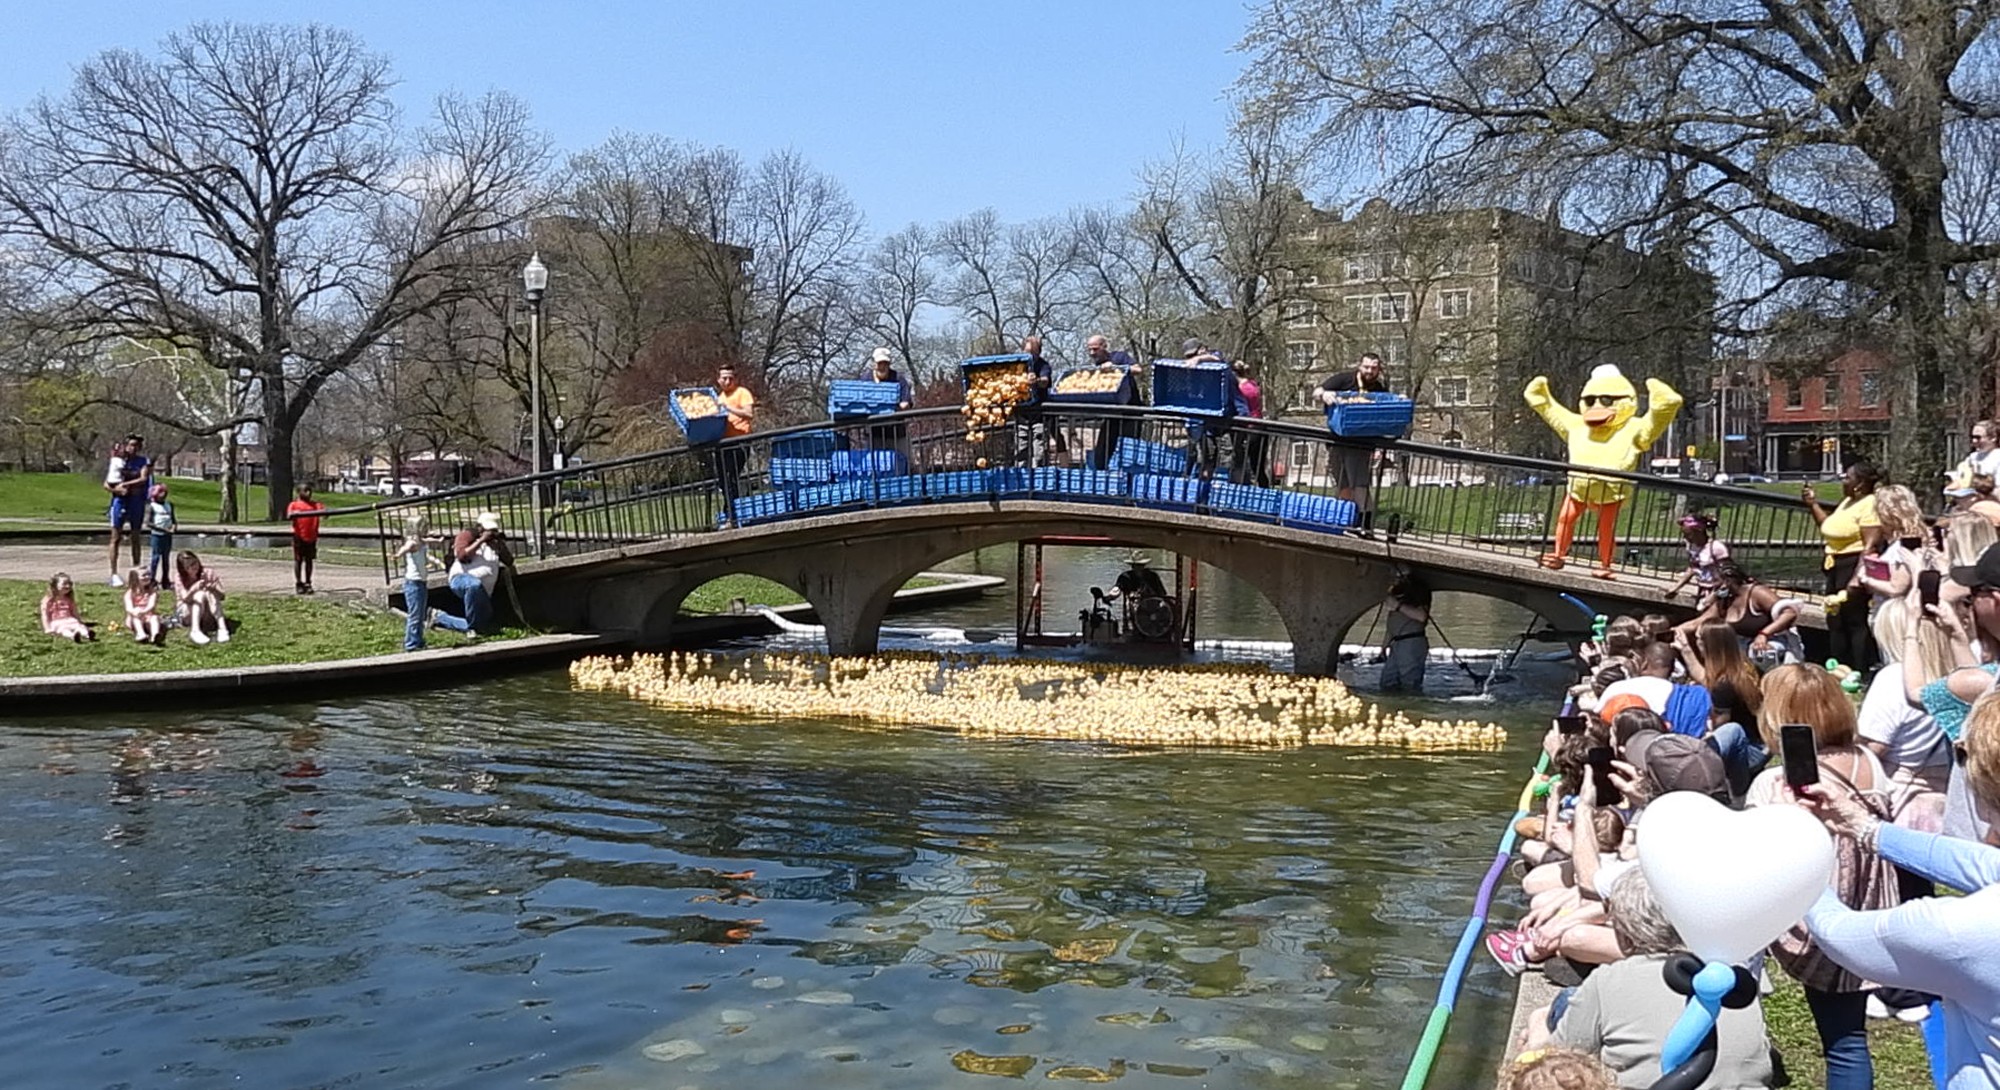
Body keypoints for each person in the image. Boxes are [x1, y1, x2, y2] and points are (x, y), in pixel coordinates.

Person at [1795, 697, 2000, 1090]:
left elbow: (1842, 935)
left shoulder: (1965, 930)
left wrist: (1800, 863)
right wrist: (1866, 829)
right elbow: (1978, 864)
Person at [1749, 663, 1899, 1090]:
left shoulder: (1773, 782)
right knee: (1849, 1036)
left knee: (1843, 1044)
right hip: (1868, 909)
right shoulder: (1868, 761)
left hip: (1818, 913)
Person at [1529, 868, 1776, 1089]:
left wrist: (1533, 1046)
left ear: (1625, 937)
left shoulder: (1609, 980)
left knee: (1543, 1035)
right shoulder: (1732, 979)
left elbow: (1561, 1063)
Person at [1806, 462, 1884, 671]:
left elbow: (1870, 545)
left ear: (1859, 484)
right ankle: (1838, 667)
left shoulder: (1869, 504)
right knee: (1834, 617)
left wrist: (1857, 576)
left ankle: (1859, 668)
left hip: (1852, 564)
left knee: (1853, 619)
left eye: (1847, 478)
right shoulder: (1848, 502)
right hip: (1835, 564)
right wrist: (1813, 504)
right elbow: (1829, 526)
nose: (1843, 481)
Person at [1676, 561, 1804, 669]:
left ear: (1727, 582)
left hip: (1773, 640)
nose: (1711, 586)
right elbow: (1701, 620)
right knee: (1709, 643)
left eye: (1715, 581)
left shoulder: (1756, 593)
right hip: (1741, 643)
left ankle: (1771, 683)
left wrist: (1764, 634)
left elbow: (1789, 613)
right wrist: (1678, 630)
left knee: (1760, 653)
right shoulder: (1723, 599)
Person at [1316, 352, 1388, 533]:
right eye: (1367, 367)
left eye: (1374, 368)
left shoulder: (1379, 389)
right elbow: (1317, 391)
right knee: (1343, 485)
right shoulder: (1344, 379)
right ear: (1359, 366)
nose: (1370, 371)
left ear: (1379, 370)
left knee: (1360, 485)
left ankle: (1366, 525)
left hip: (1361, 443)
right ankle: (1347, 523)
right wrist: (1324, 395)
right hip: (1336, 441)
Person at [440, 511, 513, 636]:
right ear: (480, 527)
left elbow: (509, 561)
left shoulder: (495, 544)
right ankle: (471, 628)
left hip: (485, 592)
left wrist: (499, 544)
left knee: (482, 626)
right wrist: (481, 541)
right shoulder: (467, 536)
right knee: (474, 585)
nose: (490, 533)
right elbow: (462, 555)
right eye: (488, 530)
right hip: (462, 579)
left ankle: (441, 618)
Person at [1085, 334, 1142, 470]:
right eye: (1089, 350)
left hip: (1131, 413)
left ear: (1104, 347)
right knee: (1101, 453)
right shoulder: (1096, 367)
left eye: (1095, 349)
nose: (1092, 353)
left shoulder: (1119, 357)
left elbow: (1138, 369)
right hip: (1112, 415)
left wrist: (1116, 367)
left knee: (1128, 453)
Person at [103, 434, 152, 586]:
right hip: (120, 501)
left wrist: (126, 484)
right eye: (131, 445)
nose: (133, 448)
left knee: (135, 536)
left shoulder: (143, 461)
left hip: (136, 501)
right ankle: (113, 573)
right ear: (126, 446)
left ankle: (136, 570)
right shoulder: (118, 461)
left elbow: (144, 478)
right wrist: (117, 490)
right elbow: (106, 483)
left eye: (137, 445)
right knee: (115, 537)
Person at [1379, 573, 1431, 693]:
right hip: (1396, 644)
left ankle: (1410, 710)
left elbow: (1422, 616)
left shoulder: (1419, 590)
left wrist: (1397, 605)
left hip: (1411, 643)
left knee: (1410, 685)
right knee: (1387, 683)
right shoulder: (1395, 591)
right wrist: (1384, 647)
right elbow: (1392, 625)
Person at [713, 364, 755, 508]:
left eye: (731, 378)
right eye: (724, 378)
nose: (728, 381)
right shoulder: (718, 398)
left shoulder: (742, 393)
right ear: (718, 380)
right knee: (723, 480)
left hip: (740, 441)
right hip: (723, 443)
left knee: (731, 477)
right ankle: (730, 510)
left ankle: (732, 513)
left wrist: (729, 408)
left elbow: (749, 414)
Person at [1663, 514, 1729, 606]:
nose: (1685, 538)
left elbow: (1728, 577)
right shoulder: (1693, 547)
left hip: (1719, 592)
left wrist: (1713, 596)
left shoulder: (1717, 548)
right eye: (1684, 535)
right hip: (1703, 589)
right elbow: (1693, 568)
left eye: (1688, 534)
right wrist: (1676, 587)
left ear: (1699, 531)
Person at [392, 512, 434, 652]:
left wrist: (438, 541)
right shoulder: (412, 542)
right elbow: (407, 547)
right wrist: (398, 554)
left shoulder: (421, 541)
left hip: (422, 582)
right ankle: (410, 643)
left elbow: (427, 541)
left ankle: (419, 640)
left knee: (421, 613)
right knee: (415, 614)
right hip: (413, 583)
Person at [1228, 360, 1272, 486]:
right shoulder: (1253, 384)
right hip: (1259, 426)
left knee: (1240, 463)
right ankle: (1264, 491)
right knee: (1257, 466)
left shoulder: (1241, 389)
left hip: (1247, 428)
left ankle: (1240, 492)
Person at [172, 550, 229, 644]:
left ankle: (222, 628)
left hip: (208, 611)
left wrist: (213, 588)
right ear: (183, 569)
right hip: (187, 611)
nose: (193, 567)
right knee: (199, 594)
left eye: (194, 563)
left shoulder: (209, 572)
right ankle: (195, 630)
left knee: (209, 593)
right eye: (188, 567)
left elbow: (222, 596)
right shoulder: (179, 577)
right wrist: (194, 588)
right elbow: (185, 599)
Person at [286, 484, 326, 595]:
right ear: (299, 492)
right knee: (298, 560)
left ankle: (308, 583)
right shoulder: (294, 505)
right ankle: (299, 583)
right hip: (299, 536)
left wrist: (325, 513)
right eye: (305, 491)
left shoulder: (316, 505)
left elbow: (325, 514)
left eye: (310, 490)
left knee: (309, 561)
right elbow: (289, 515)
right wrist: (294, 514)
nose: (308, 493)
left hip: (312, 537)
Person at [38, 572, 95, 642]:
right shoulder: (48, 600)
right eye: (64, 584)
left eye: (69, 584)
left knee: (79, 627)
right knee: (64, 630)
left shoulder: (69, 599)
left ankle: (87, 635)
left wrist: (80, 621)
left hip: (69, 619)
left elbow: (74, 611)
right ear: (55, 586)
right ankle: (72, 636)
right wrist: (47, 628)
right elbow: (45, 614)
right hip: (57, 622)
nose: (68, 586)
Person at [144, 483, 176, 586]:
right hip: (157, 535)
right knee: (155, 557)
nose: (164, 495)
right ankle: (152, 579)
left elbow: (173, 519)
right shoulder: (151, 506)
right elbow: (148, 523)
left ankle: (165, 579)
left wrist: (174, 527)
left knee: (166, 558)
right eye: (161, 492)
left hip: (168, 536)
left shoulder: (169, 505)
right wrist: (163, 529)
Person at [1103, 551, 1167, 602]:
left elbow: (1162, 594)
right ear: (1132, 566)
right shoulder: (1125, 577)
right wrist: (1110, 596)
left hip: (1153, 607)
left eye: (1140, 565)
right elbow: (1117, 589)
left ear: (1144, 565)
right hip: (1133, 606)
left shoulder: (1152, 576)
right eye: (1135, 565)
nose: (1138, 567)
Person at [122, 567, 163, 645]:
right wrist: (136, 612)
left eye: (148, 574)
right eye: (144, 575)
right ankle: (141, 634)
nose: (147, 577)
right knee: (136, 615)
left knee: (154, 618)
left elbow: (151, 605)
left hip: (148, 616)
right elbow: (128, 607)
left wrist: (144, 612)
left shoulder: (152, 592)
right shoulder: (130, 593)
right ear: (135, 578)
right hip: (134, 618)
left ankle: (155, 635)